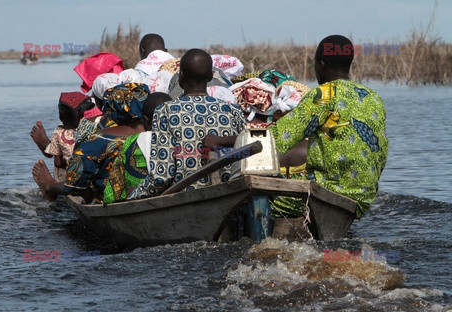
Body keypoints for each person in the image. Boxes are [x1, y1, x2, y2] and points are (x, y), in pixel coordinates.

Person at [270, 35, 388, 218]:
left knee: (261, 201)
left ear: (320, 65)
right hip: (363, 199)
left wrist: (230, 141)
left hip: (323, 192)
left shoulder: (323, 95)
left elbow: (276, 139)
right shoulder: (373, 98)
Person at [128, 49, 246, 199]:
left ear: (181, 76)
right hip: (231, 196)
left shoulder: (165, 111)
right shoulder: (233, 110)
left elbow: (161, 176)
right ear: (210, 76)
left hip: (185, 201)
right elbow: (246, 154)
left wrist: (135, 194)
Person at [32, 83, 150, 204]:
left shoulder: (95, 142)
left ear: (111, 109)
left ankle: (50, 188)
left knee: (78, 180)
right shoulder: (155, 134)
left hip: (111, 198)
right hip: (150, 190)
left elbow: (73, 184)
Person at [30, 92, 95, 181]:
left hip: (68, 172)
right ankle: (47, 146)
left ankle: (47, 146)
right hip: (89, 170)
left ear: (61, 116)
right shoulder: (91, 127)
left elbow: (58, 162)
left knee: (59, 162)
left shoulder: (59, 131)